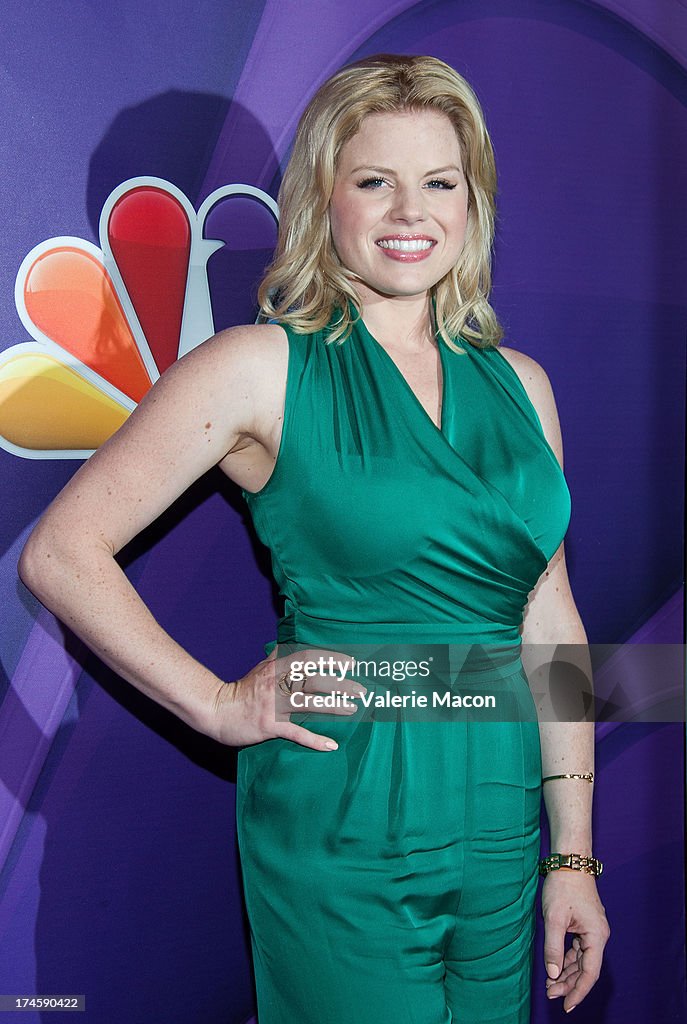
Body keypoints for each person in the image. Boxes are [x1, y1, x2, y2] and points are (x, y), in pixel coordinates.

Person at [18, 53, 609, 1024]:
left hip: (502, 826)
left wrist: (573, 854)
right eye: (374, 181)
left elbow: (552, 629)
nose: (409, 212)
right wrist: (213, 702)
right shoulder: (260, 369)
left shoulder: (524, 386)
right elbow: (60, 551)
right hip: (345, 821)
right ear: (322, 198)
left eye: (439, 183)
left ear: (474, 202)